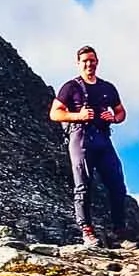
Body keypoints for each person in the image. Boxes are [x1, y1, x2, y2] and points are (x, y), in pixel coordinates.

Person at [50, 44, 127, 248]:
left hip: (102, 137)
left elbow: (121, 111)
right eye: (85, 61)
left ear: (97, 62)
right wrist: (78, 116)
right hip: (80, 136)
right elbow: (55, 113)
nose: (89, 64)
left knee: (117, 184)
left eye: (92, 60)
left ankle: (119, 232)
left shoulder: (107, 87)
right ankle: (87, 230)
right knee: (82, 184)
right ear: (78, 63)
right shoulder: (70, 87)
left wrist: (114, 118)